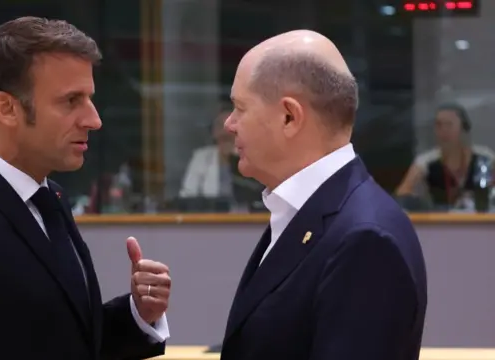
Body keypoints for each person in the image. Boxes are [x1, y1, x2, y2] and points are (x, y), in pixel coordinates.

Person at [0, 17, 171, 360]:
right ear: (6, 108)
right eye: (71, 101)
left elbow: (64, 339)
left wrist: (138, 314)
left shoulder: (50, 198)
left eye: (89, 98)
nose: (94, 119)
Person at [219, 30, 427, 360]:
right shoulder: (308, 212)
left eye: (239, 108)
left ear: (289, 116)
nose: (230, 124)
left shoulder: (365, 241)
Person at [396, 103, 495, 209]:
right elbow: (402, 194)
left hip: (479, 221)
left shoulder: (485, 157)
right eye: (438, 125)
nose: (443, 131)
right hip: (441, 221)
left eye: (449, 125)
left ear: (464, 129)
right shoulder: (426, 161)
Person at [179, 107, 235, 198]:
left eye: (231, 125)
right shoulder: (201, 157)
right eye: (221, 126)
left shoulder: (250, 156)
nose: (225, 131)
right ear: (213, 132)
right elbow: (187, 195)